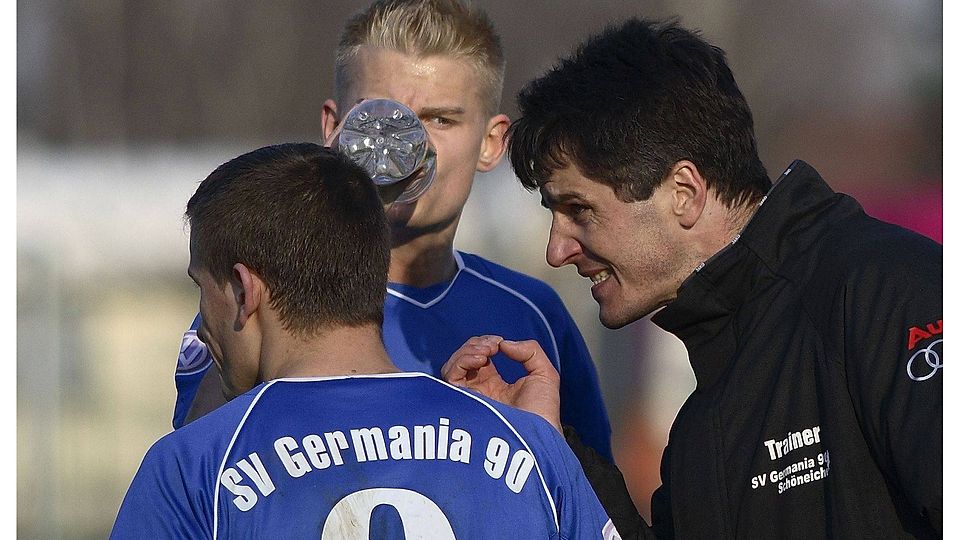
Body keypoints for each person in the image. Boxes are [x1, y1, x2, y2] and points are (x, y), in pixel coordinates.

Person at [442, 18, 942, 539]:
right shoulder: (703, 424)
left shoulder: (888, 290)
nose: (556, 250)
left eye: (579, 209)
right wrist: (548, 447)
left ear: (684, 191)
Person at [172, 0, 613, 461]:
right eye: (379, 118)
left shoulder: (532, 316)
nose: (405, 144)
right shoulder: (262, 300)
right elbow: (196, 472)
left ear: (491, 143)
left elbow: (588, 501)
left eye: (440, 119)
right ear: (333, 128)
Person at [111, 143, 619, 539]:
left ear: (245, 290)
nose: (202, 323)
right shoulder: (530, 446)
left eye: (202, 289)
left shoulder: (193, 466)